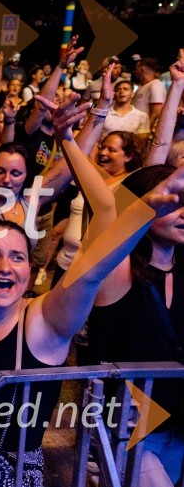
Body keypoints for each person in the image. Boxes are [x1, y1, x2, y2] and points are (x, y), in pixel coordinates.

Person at [0, 115, 184, 484]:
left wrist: (141, 210)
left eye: (17, 257)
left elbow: (90, 272)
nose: (5, 266)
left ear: (29, 270)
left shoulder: (44, 321)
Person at [88, 165, 184, 486]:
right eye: (174, 204)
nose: (183, 213)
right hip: (130, 428)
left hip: (177, 425)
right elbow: (104, 226)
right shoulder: (117, 269)